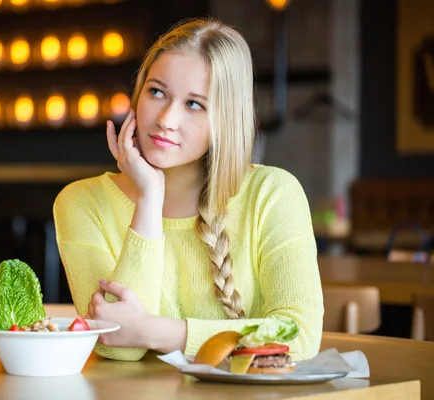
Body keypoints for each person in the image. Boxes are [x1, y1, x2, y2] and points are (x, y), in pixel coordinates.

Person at [53, 17, 323, 362]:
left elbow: (297, 335)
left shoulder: (273, 193)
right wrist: (149, 198)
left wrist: (155, 331)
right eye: (156, 92)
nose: (166, 118)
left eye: (194, 104)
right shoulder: (81, 202)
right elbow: (117, 346)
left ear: (226, 118)